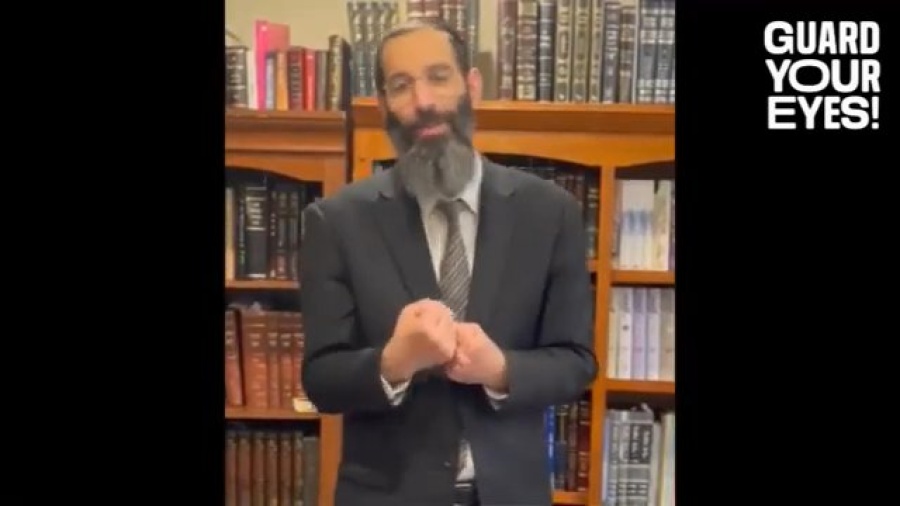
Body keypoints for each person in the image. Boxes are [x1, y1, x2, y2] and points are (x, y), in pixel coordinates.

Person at [299, 18, 598, 506]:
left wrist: (500, 369)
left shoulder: (550, 213)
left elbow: (575, 362)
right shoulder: (336, 221)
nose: (423, 100)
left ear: (471, 86)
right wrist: (394, 362)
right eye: (401, 85)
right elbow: (321, 380)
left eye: (439, 77)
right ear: (383, 106)